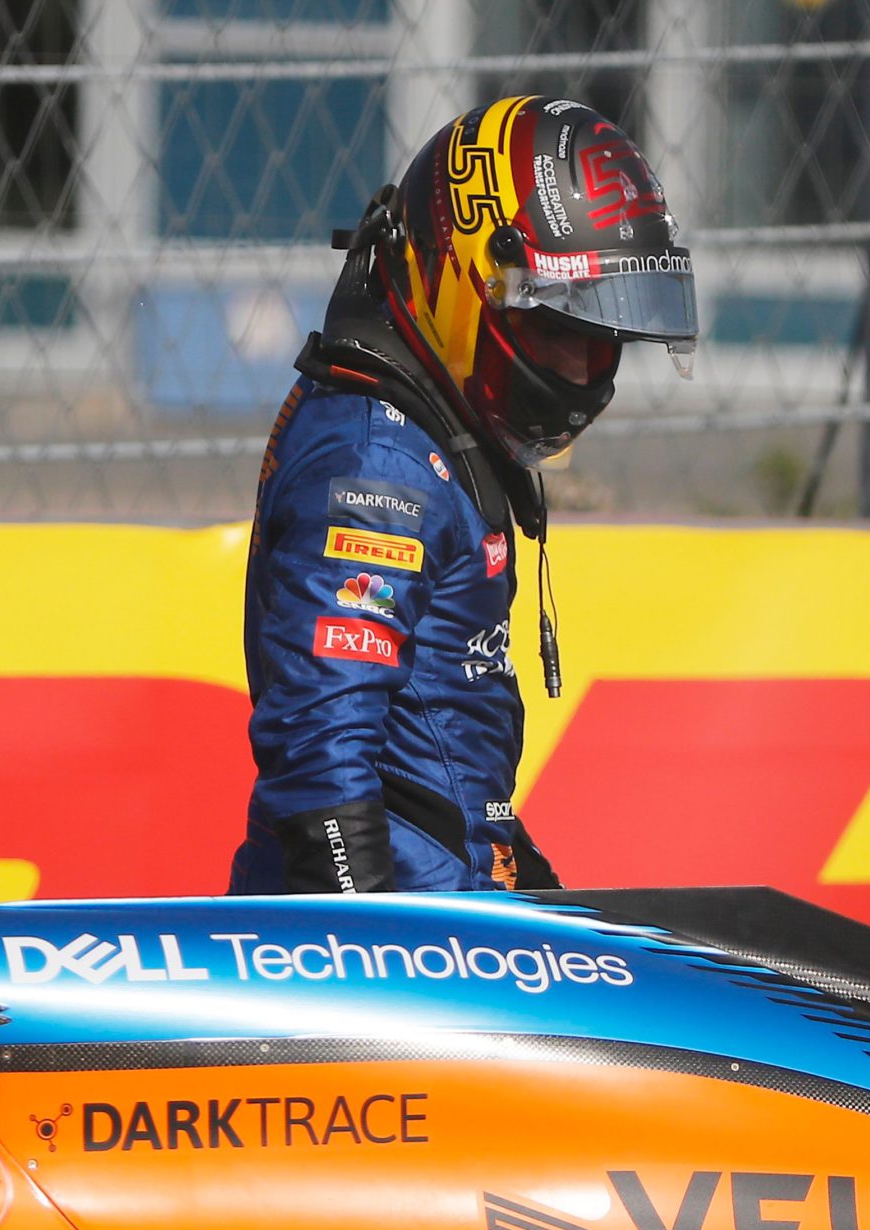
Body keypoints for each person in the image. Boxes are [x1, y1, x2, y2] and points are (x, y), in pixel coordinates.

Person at [229, 96, 697, 895]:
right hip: (375, 944)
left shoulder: (430, 434)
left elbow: (440, 762)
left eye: (602, 342)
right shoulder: (378, 463)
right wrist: (373, 944)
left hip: (443, 918)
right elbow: (320, 751)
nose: (583, 371)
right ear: (466, 281)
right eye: (561, 331)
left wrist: (541, 899)